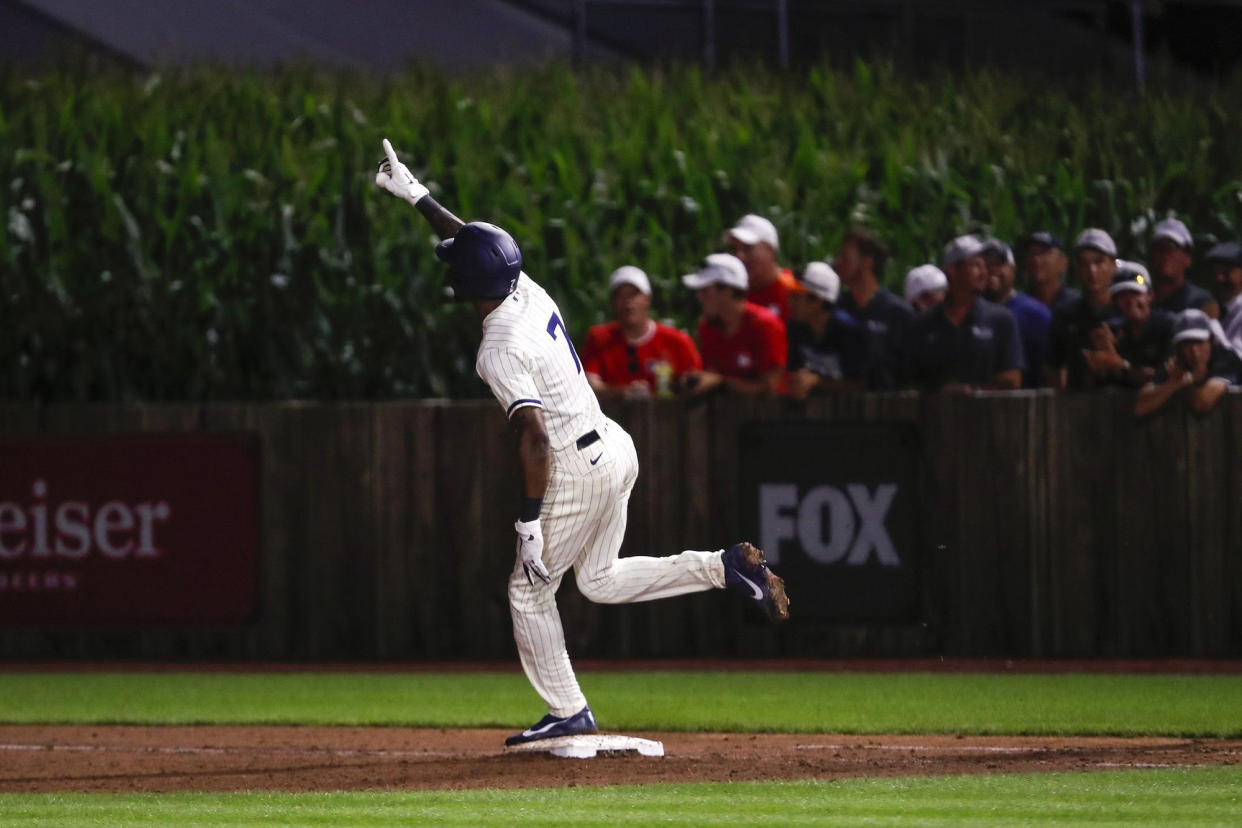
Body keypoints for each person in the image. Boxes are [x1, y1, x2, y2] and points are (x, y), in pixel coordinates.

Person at [374, 139, 789, 746]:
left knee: (527, 589)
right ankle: (720, 568)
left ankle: (568, 710)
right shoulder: (526, 289)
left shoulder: (496, 347)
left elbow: (534, 437)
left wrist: (527, 521)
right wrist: (417, 196)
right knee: (596, 580)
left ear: (465, 285)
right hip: (617, 448)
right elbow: (484, 249)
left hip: (571, 464)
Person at [902, 235, 1024, 392]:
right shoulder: (924, 323)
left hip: (989, 414)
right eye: (975, 265)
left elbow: (1012, 379)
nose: (983, 272)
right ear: (952, 271)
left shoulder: (1001, 319)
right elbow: (908, 380)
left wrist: (972, 392)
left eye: (984, 266)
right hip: (935, 414)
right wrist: (940, 391)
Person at [580, 266, 702, 399]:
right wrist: (624, 392)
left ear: (647, 299)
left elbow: (697, 383)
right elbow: (588, 384)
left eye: (633, 294)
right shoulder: (599, 339)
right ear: (613, 302)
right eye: (620, 295)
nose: (627, 302)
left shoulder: (677, 340)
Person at [680, 253, 788, 396]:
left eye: (705, 290)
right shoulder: (707, 327)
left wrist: (721, 382)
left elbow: (770, 386)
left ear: (728, 291)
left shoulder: (765, 325)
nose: (700, 297)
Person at [835, 228, 915, 389]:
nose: (837, 263)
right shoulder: (836, 308)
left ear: (867, 262)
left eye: (845, 257)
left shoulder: (898, 312)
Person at [1046, 229, 1120, 389]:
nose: (1092, 271)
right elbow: (1054, 367)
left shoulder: (1128, 310)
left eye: (1099, 262)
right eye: (1084, 263)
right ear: (1077, 268)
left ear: (1113, 264)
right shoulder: (1065, 313)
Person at [1134, 309, 1241, 416]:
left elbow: (1201, 403)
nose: (1194, 351)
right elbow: (1140, 407)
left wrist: (1184, 382)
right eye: (1187, 343)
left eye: (1199, 342)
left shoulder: (1227, 359)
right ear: (1178, 347)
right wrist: (1173, 383)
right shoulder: (1177, 362)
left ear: (1211, 341)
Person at [1082, 262, 1172, 388]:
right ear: (1116, 302)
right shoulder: (1111, 330)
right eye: (1122, 295)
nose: (1130, 301)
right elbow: (1092, 384)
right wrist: (1100, 362)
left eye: (1136, 293)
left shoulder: (1169, 326)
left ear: (1150, 295)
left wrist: (1119, 364)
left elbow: (1162, 380)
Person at [784, 261, 866, 399]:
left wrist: (818, 381)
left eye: (796, 297)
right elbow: (793, 370)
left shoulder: (849, 331)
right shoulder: (795, 327)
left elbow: (862, 384)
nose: (789, 302)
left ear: (817, 300)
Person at [982, 238, 1051, 388]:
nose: (992, 270)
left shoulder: (1036, 314)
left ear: (1013, 270)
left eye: (999, 264)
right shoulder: (966, 314)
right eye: (986, 265)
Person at [725, 214, 800, 321]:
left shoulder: (794, 291)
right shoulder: (729, 295)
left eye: (748, 248)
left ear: (770, 250)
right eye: (735, 249)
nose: (739, 256)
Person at [1148, 217, 1219, 318]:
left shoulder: (1202, 303)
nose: (1164, 255)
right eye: (1159, 248)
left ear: (1187, 258)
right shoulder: (1141, 299)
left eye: (1171, 247)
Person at [1021, 231, 1079, 313]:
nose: (1036, 260)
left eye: (1044, 253)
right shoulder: (1018, 306)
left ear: (1063, 262)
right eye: (1032, 253)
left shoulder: (1076, 306)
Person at [1207, 241, 1242, 355]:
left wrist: (1213, 323)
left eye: (1226, 272)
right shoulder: (1211, 306)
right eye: (1215, 272)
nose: (1219, 279)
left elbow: (1236, 361)